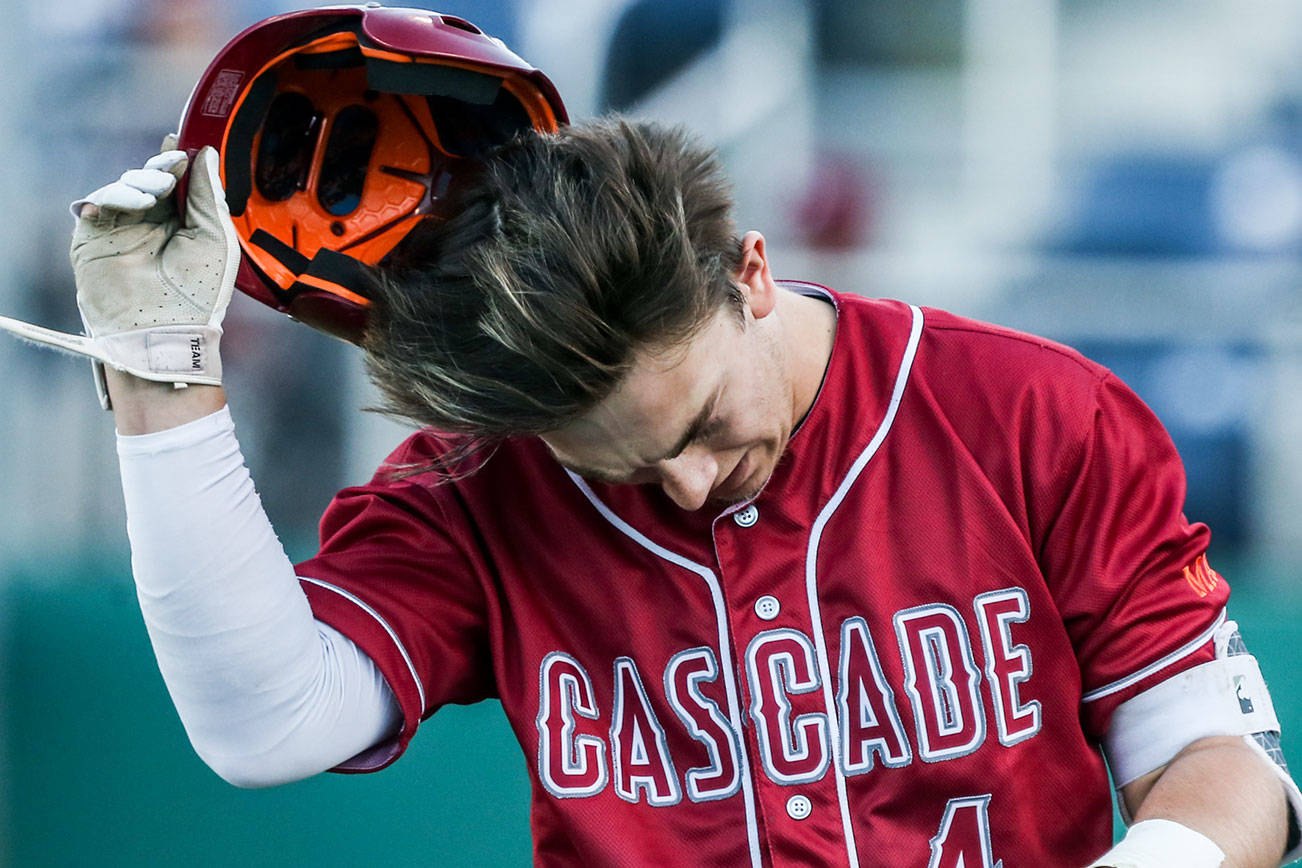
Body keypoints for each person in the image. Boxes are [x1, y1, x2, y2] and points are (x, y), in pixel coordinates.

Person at [3, 115, 1300, 867]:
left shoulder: (1029, 412)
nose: (679, 483)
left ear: (746, 271)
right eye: (612, 461)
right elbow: (265, 725)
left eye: (696, 420)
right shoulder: (478, 485)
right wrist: (163, 383)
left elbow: (1218, 764)